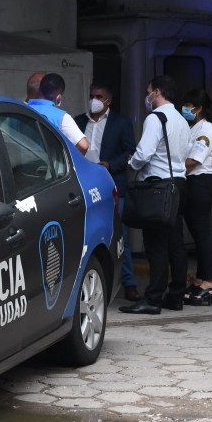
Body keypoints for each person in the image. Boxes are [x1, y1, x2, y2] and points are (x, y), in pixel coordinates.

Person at [118, 75, 190, 315]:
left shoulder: (155, 117)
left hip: (158, 186)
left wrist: (132, 162)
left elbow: (144, 153)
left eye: (148, 91)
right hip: (178, 183)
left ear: (157, 92)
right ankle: (177, 295)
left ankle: (152, 299)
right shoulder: (181, 119)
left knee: (156, 245)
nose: (146, 97)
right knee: (175, 242)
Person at [74, 82, 140, 301]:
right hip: (83, 187)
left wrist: (109, 164)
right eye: (91, 95)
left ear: (108, 101)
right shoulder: (78, 121)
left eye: (98, 96)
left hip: (112, 186)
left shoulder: (120, 123)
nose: (93, 99)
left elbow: (129, 152)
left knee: (120, 235)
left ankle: (129, 283)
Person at [180, 88, 212, 306]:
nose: (185, 109)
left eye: (188, 105)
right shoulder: (193, 127)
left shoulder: (207, 129)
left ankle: (208, 284)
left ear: (199, 108)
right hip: (192, 183)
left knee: (202, 234)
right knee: (197, 233)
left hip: (200, 183)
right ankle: (200, 278)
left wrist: (173, 168)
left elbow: (195, 159)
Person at [27, 72, 89, 154]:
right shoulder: (62, 117)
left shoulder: (20, 108)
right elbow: (83, 146)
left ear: (39, 90)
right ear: (59, 97)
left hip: (18, 165)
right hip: (47, 166)